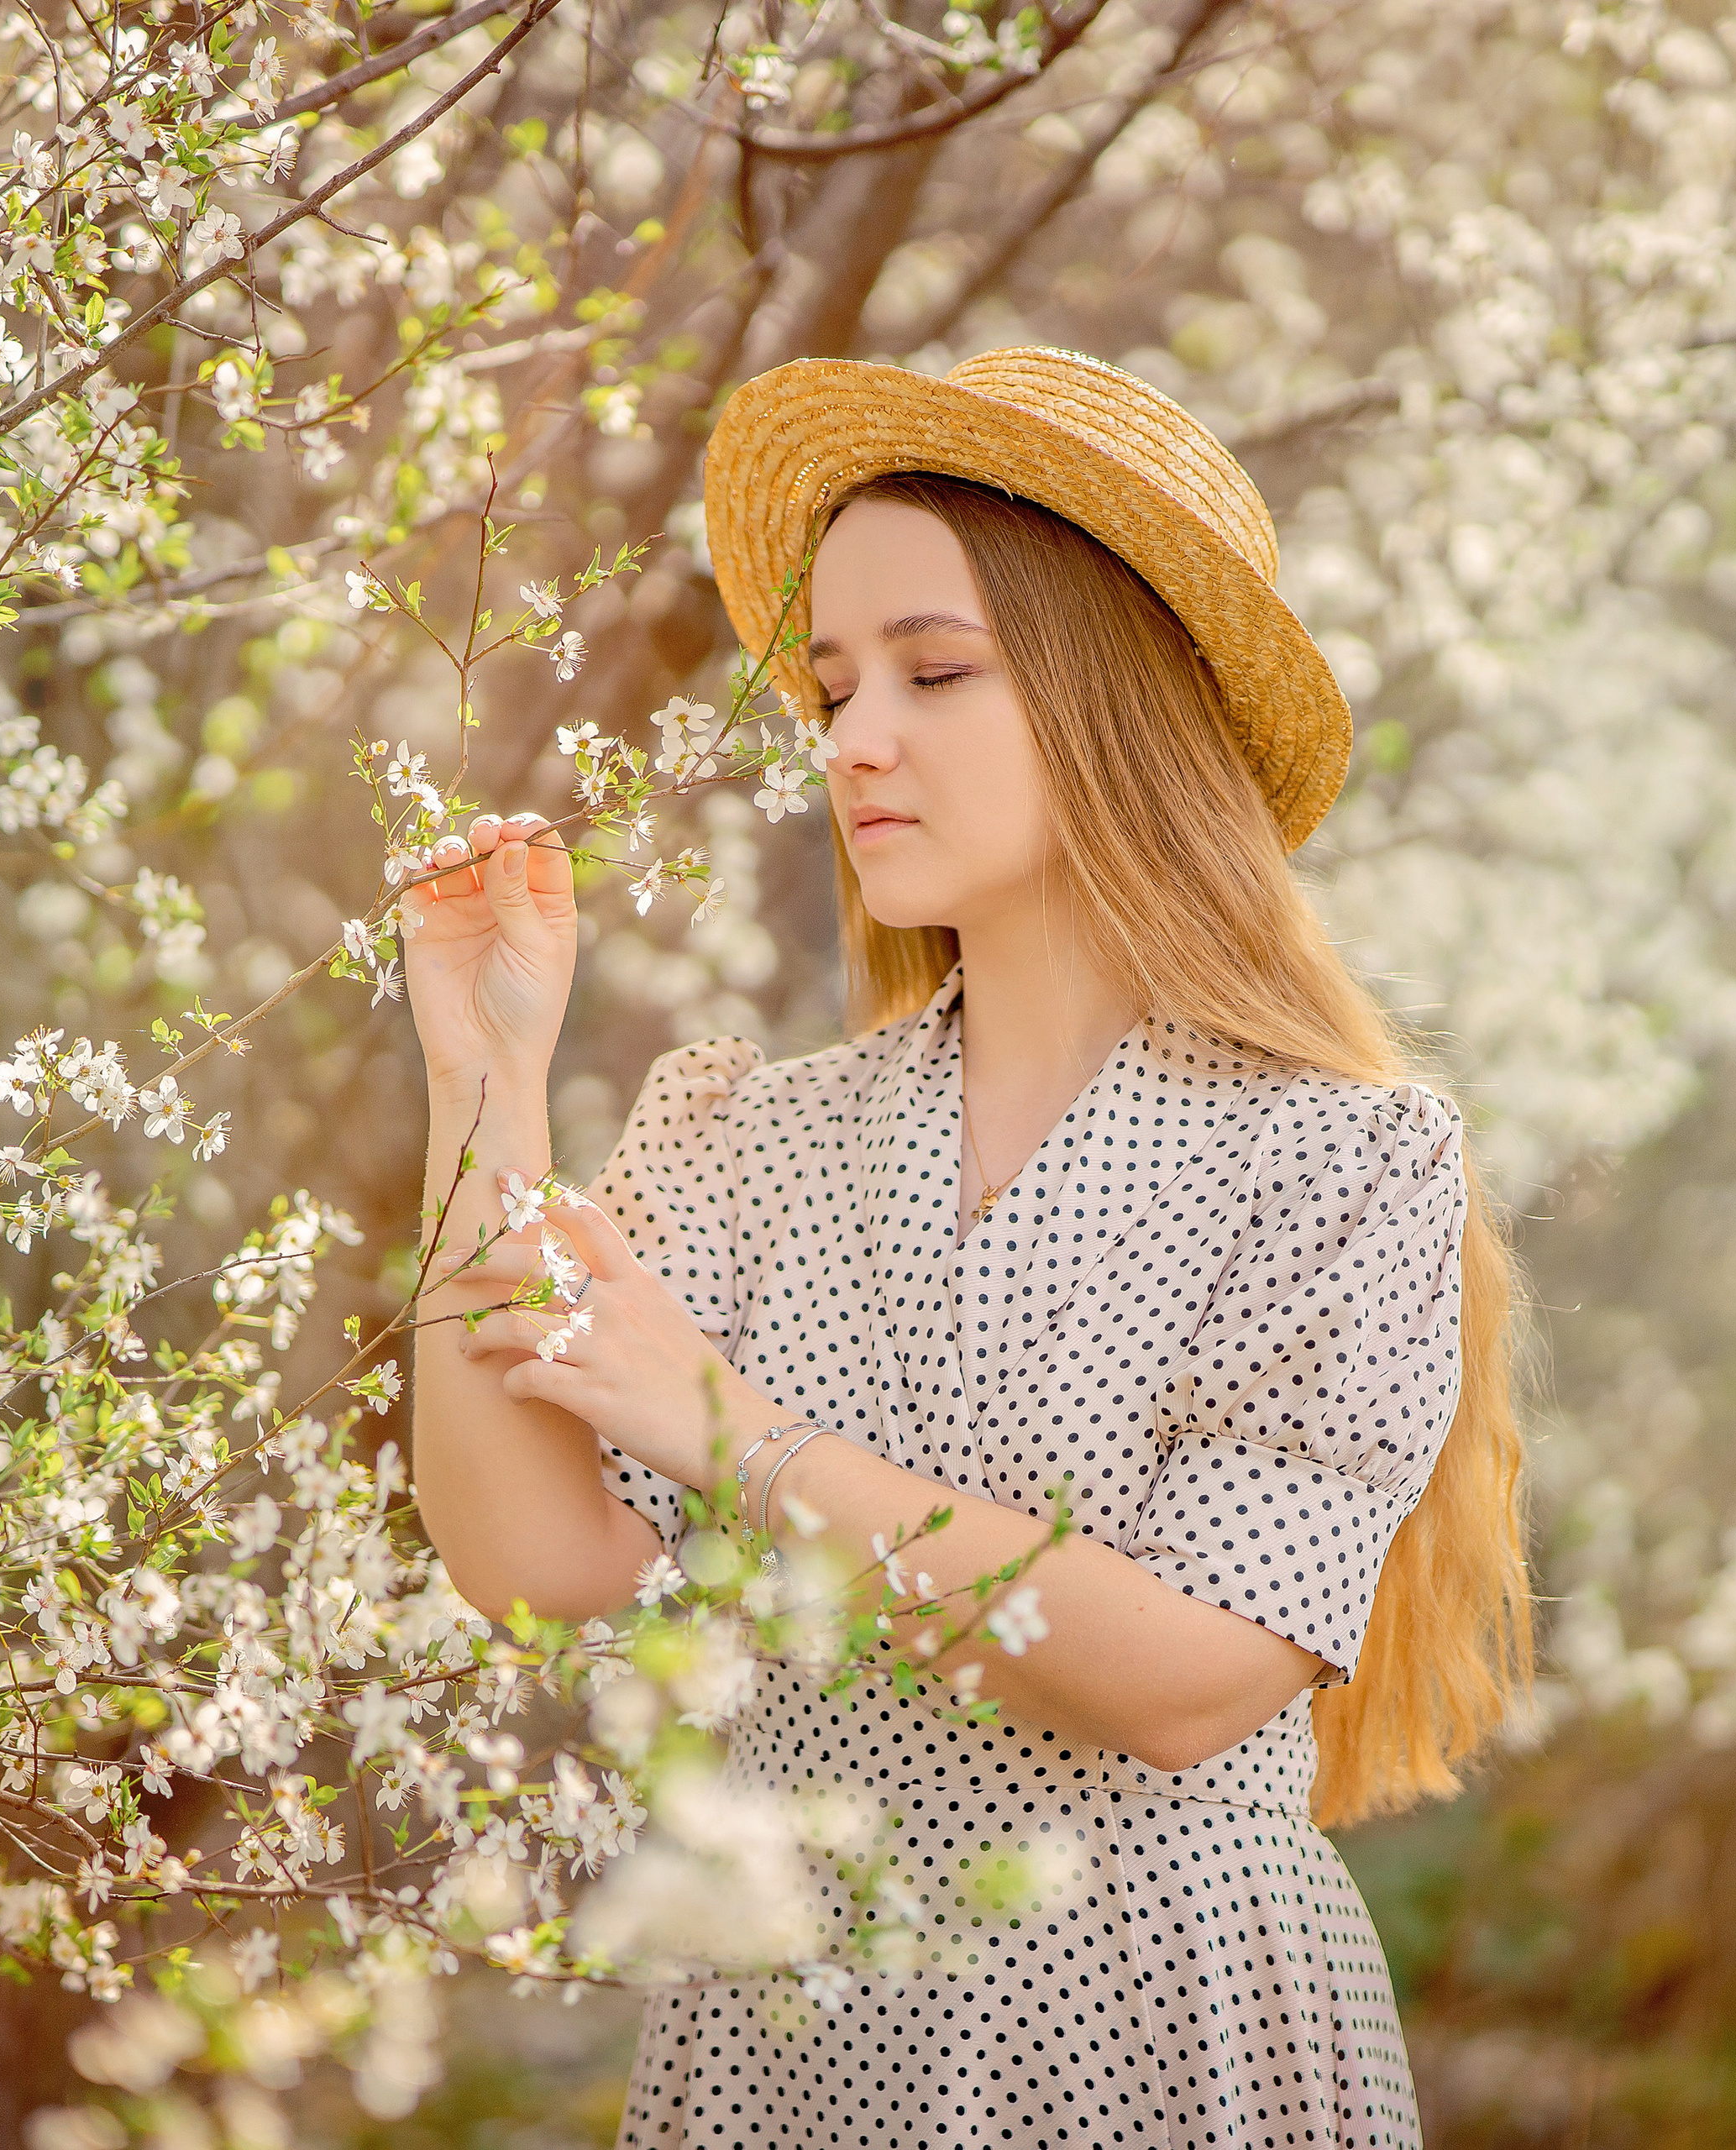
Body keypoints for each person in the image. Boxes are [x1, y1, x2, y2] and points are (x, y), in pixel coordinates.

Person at [403, 347, 1531, 2149]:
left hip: (1162, 2028)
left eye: (933, 672)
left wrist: (736, 1434)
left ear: (1117, 702)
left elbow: (1182, 1679)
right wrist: (481, 1082)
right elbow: (539, 1558)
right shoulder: (749, 1133)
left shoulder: (1337, 1153)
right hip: (792, 2036)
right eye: (835, 683)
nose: (849, 738)